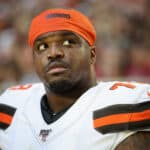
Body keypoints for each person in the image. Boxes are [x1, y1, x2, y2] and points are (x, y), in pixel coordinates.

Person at [0, 8, 150, 150]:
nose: (53, 53)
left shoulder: (125, 103)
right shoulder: (13, 105)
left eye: (68, 43)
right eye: (42, 46)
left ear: (92, 55)